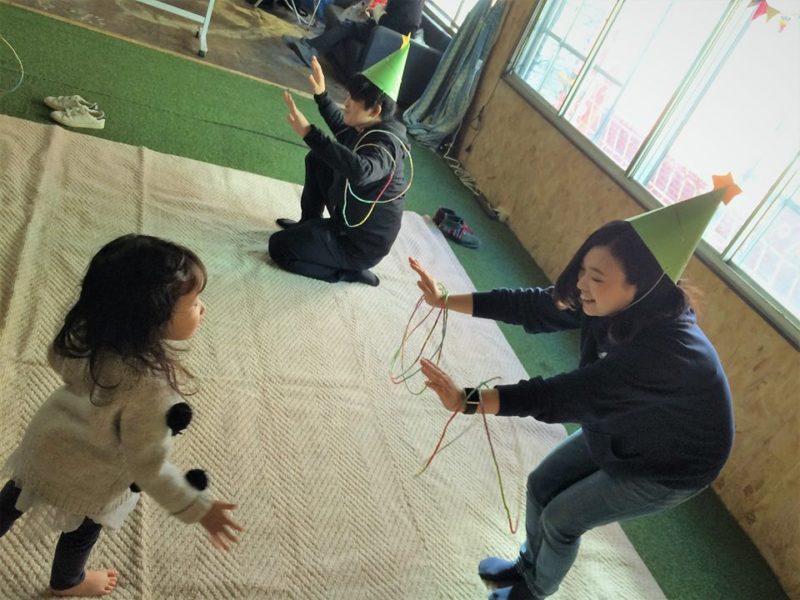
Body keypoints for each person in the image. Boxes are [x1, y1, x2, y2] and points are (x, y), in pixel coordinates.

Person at [409, 178, 739, 599]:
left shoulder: (666, 352)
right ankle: (528, 567)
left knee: (561, 520)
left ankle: (534, 591)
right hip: (625, 420)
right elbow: (533, 305)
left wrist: (467, 400)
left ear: (642, 287)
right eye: (583, 270)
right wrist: (445, 299)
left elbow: (563, 395)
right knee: (541, 486)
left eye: (596, 277)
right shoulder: (609, 303)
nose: (582, 284)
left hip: (672, 462)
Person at [0, 234, 243, 597]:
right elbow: (149, 467)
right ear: (152, 317)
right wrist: (197, 506)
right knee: (82, 531)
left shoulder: (88, 331)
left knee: (13, 498)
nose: (202, 308)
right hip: (91, 479)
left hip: (45, 444)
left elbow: (56, 358)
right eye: (194, 303)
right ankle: (68, 582)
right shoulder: (153, 390)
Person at [269, 42, 411, 287]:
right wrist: (322, 96)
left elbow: (362, 171)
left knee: (279, 247)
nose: (346, 102)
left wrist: (309, 132)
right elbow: (342, 129)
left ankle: (349, 271)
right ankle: (309, 222)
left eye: (353, 99)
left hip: (358, 244)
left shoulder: (387, 146)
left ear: (375, 110)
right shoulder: (370, 124)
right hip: (346, 216)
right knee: (318, 158)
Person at [283, 0, 423, 67]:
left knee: (347, 27)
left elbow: (392, 24)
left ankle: (310, 50)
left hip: (386, 38)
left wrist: (378, 12)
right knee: (347, 26)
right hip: (382, 32)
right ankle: (307, 45)